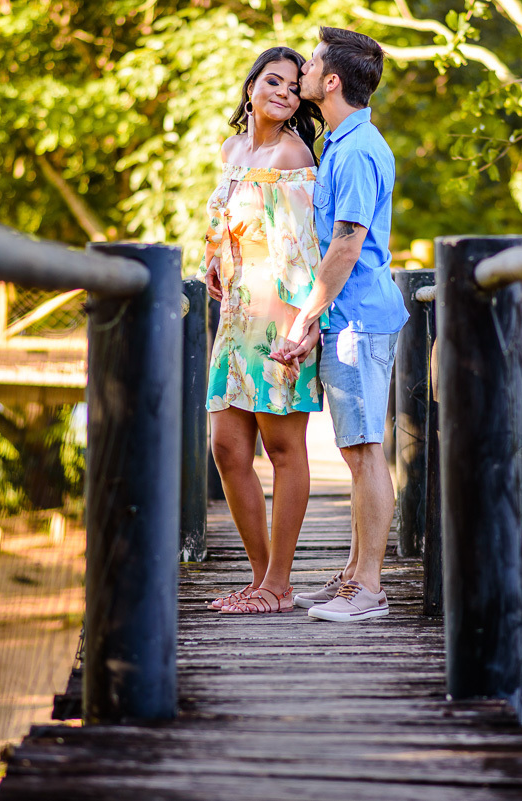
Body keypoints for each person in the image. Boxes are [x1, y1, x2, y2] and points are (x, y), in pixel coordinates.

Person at [272, 27, 408, 622]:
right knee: (359, 451)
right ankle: (355, 573)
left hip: (358, 319)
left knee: (363, 452)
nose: (300, 69)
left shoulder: (353, 150)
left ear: (331, 82)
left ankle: (370, 589)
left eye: (311, 63)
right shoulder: (348, 142)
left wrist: (305, 318)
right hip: (352, 316)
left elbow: (346, 246)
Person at [201, 46, 327, 614]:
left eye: (294, 87)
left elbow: (304, 251)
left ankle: (279, 583)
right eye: (272, 80)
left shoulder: (292, 153)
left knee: (281, 446)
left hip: (278, 314)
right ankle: (259, 579)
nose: (283, 91)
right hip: (234, 319)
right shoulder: (233, 149)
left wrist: (304, 328)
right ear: (251, 85)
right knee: (227, 447)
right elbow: (227, 219)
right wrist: (215, 258)